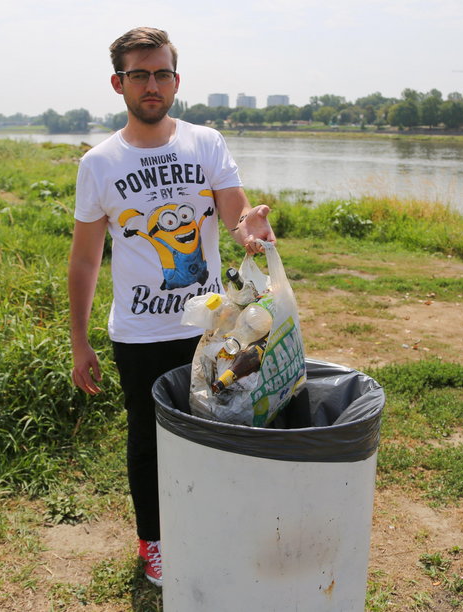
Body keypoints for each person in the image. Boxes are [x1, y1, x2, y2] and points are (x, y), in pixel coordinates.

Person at [68, 26, 275, 587]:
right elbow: (86, 261)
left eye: (162, 73)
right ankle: (153, 542)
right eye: (140, 74)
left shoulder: (206, 143)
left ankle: (209, 526)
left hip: (209, 325)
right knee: (147, 438)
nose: (152, 84)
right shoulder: (100, 163)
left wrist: (250, 230)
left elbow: (235, 214)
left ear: (176, 80)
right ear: (119, 83)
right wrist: (80, 341)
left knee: (220, 425)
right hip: (137, 333)